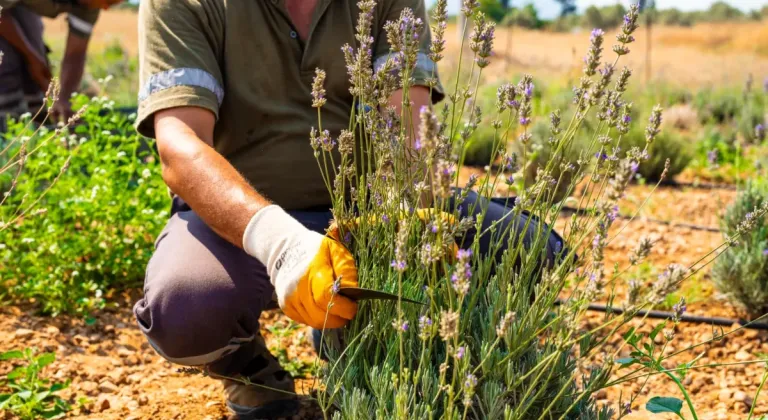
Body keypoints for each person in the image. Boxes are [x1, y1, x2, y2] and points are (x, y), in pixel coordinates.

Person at [131, 0, 565, 418]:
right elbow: (180, 148)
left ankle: (354, 338)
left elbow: (407, 126)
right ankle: (248, 368)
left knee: (530, 253)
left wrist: (400, 226)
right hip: (242, 220)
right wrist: (280, 243)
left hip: (368, 209)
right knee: (186, 309)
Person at [0, 0, 122, 129]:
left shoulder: (90, 6)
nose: (107, 8)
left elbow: (75, 53)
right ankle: (6, 134)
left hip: (16, 7)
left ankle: (33, 135)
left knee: (34, 82)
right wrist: (31, 57)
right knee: (6, 62)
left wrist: (64, 98)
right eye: (109, 1)